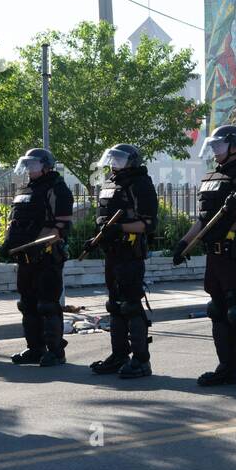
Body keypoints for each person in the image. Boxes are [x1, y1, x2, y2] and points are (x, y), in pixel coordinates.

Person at [173, 125, 236, 392]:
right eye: (213, 146)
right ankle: (228, 368)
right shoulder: (211, 177)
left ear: (235, 146)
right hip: (216, 257)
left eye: (219, 145)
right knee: (217, 311)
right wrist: (184, 243)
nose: (214, 151)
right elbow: (204, 220)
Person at [87, 144, 159, 379]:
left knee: (130, 306)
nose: (114, 163)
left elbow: (148, 224)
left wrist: (119, 227)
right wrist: (99, 237)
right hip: (112, 253)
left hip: (130, 253)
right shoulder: (110, 183)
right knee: (115, 306)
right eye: (113, 158)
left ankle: (141, 360)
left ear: (132, 161)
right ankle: (119, 355)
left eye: (120, 159)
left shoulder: (140, 183)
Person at [0, 148, 73, 367]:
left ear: (46, 166)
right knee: (27, 304)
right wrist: (8, 243)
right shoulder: (24, 189)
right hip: (25, 257)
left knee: (47, 305)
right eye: (28, 164)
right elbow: (15, 222)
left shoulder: (57, 189)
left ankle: (55, 351)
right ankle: (35, 349)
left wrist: (37, 245)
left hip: (46, 256)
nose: (29, 168)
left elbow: (61, 226)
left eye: (34, 164)